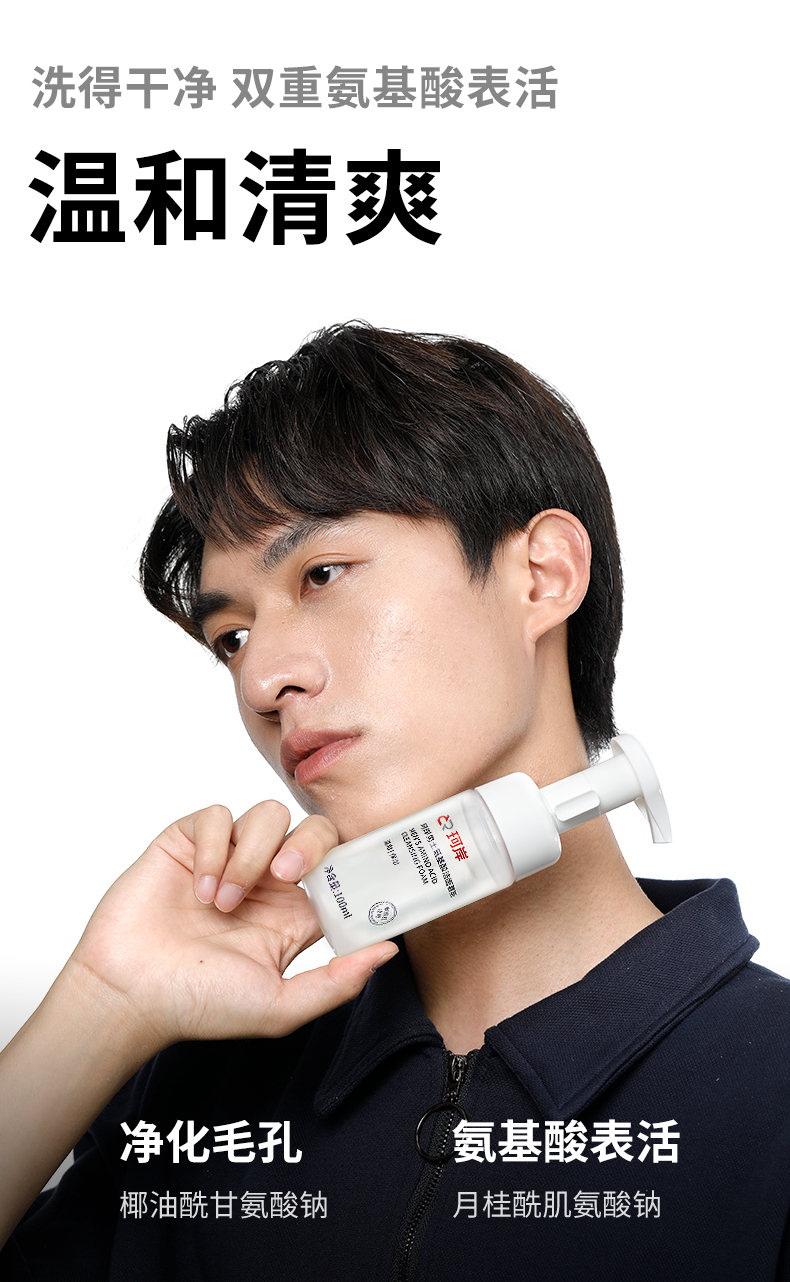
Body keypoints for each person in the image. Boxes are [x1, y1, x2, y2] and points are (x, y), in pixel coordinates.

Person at [1, 323, 788, 1280]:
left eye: (321, 575)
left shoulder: (770, 1088)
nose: (264, 681)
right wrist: (103, 1006)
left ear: (543, 574)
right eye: (232, 638)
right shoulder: (205, 1092)